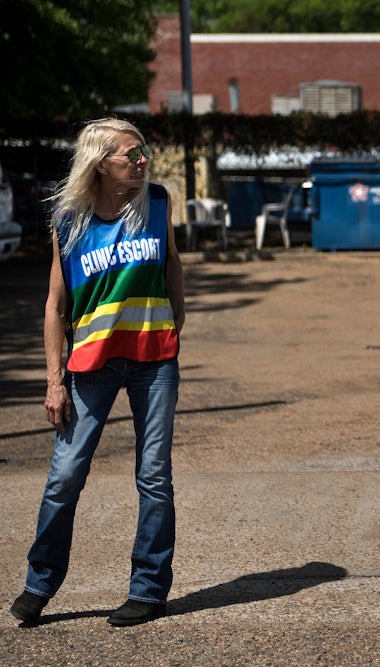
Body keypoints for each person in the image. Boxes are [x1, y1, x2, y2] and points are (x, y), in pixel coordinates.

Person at [9, 118, 185, 627]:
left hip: (155, 362)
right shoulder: (68, 220)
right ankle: (39, 583)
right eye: (131, 154)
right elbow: (55, 304)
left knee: (154, 477)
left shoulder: (156, 201)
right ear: (99, 163)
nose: (142, 160)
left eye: (143, 151)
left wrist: (178, 321)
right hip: (91, 366)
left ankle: (148, 591)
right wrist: (53, 379)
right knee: (64, 476)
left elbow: (171, 260)